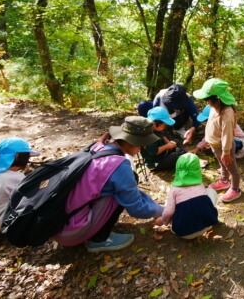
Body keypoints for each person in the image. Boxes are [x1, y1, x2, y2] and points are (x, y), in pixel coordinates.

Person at [51, 116, 164, 252]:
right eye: (142, 144)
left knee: (124, 185)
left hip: (58, 220)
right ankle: (100, 239)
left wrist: (155, 207)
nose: (142, 149)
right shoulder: (119, 166)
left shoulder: (100, 145)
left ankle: (95, 227)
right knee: (118, 194)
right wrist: (164, 211)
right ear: (131, 142)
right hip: (72, 230)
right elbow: (137, 207)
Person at [193, 78, 242, 203]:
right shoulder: (214, 107)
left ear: (217, 99)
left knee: (232, 168)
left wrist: (226, 152)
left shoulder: (227, 113)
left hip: (225, 146)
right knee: (222, 164)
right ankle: (224, 181)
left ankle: (235, 189)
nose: (207, 102)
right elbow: (212, 125)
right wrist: (209, 140)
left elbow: (227, 134)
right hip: (215, 144)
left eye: (208, 99)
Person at [154, 153, 219, 239]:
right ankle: (209, 216)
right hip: (207, 226)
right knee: (210, 191)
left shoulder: (174, 190)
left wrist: (163, 221)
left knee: (170, 204)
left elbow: (169, 212)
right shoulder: (200, 185)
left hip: (183, 233)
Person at [142, 106, 185, 171]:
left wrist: (168, 142)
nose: (165, 127)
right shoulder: (148, 136)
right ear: (154, 124)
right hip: (155, 162)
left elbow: (162, 135)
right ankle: (183, 157)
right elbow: (154, 152)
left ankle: (184, 155)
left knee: (176, 141)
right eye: (164, 125)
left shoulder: (154, 129)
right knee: (175, 156)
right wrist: (167, 146)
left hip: (163, 154)